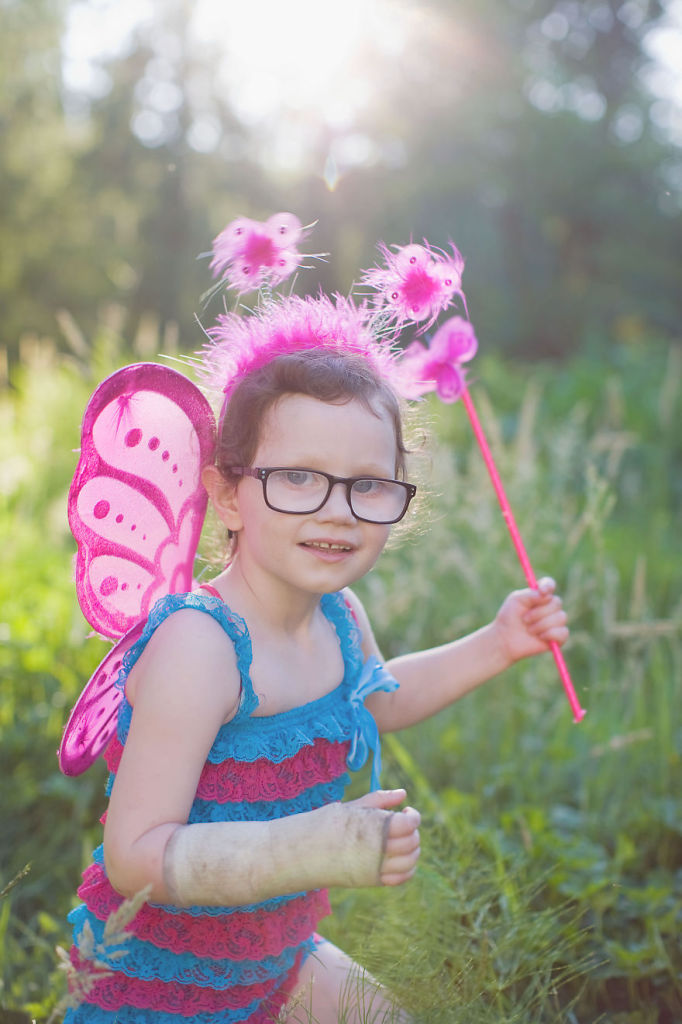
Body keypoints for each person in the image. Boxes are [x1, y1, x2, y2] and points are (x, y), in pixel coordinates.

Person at [61, 226, 569, 1024]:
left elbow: (380, 700)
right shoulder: (200, 646)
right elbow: (134, 858)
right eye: (298, 477)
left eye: (368, 484)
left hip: (274, 960)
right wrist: (311, 849)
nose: (336, 511)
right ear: (227, 494)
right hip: (164, 986)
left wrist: (499, 642)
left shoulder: (338, 616)